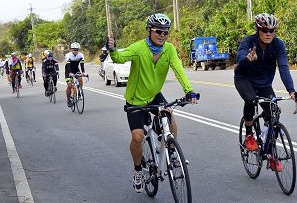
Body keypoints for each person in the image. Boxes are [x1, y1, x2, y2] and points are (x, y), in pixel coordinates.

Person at [107, 13, 199, 193]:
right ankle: (138, 170)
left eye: (166, 32)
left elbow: (178, 69)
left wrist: (188, 90)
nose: (162, 35)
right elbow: (119, 58)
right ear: (149, 31)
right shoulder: (139, 48)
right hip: (136, 99)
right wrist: (112, 49)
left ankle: (172, 152)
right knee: (138, 137)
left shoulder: (169, 49)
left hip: (155, 95)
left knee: (170, 118)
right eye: (159, 31)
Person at [234, 13, 297, 172]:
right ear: (258, 30)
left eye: (272, 30)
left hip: (264, 83)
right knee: (251, 99)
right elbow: (240, 56)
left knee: (274, 112)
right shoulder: (248, 42)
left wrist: (292, 91)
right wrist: (247, 59)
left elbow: (284, 68)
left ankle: (270, 152)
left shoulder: (278, 45)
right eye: (265, 30)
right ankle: (249, 135)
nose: (268, 34)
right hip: (244, 79)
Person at [65, 42, 87, 107]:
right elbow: (68, 66)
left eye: (77, 49)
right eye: (74, 49)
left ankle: (80, 90)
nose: (76, 51)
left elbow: (82, 65)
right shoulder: (68, 55)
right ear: (71, 49)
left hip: (76, 69)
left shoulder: (81, 55)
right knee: (69, 85)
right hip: (68, 70)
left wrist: (83, 72)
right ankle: (68, 99)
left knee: (80, 78)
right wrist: (70, 73)